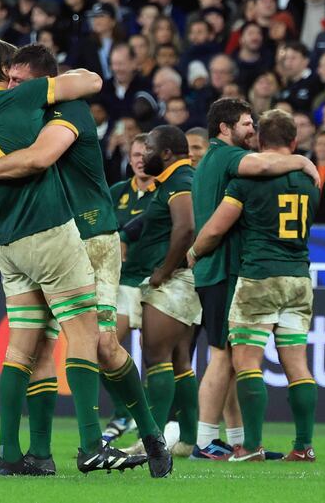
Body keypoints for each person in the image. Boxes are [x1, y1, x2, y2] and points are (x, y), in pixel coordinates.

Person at [0, 44, 171, 477]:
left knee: (102, 342)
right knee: (40, 346)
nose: (11, 89)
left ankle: (150, 434)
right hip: (54, 237)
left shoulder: (69, 111)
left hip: (92, 234)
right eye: (8, 81)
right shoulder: (27, 110)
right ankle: (39, 454)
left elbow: (41, 156)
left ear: (41, 82)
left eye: (20, 82)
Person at [190, 98, 320, 460]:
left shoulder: (246, 182)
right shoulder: (310, 183)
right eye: (245, 123)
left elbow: (216, 229)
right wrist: (304, 161)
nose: (249, 130)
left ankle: (245, 444)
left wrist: (192, 253)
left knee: (239, 360)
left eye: (253, 126)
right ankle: (302, 446)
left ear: (262, 141)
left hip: (257, 273)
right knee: (293, 363)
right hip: (299, 277)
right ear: (293, 143)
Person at [121, 126, 201, 458]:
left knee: (157, 356)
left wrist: (163, 271)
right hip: (180, 281)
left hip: (173, 282)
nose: (144, 155)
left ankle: (152, 439)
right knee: (180, 360)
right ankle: (186, 439)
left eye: (149, 149)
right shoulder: (174, 181)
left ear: (166, 153)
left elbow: (186, 228)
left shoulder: (180, 181)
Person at [105, 133, 155, 441]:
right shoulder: (116, 192)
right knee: (102, 348)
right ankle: (124, 413)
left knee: (155, 358)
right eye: (135, 154)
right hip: (122, 283)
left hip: (154, 283)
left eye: (145, 154)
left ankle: (150, 420)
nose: (139, 159)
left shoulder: (166, 193)